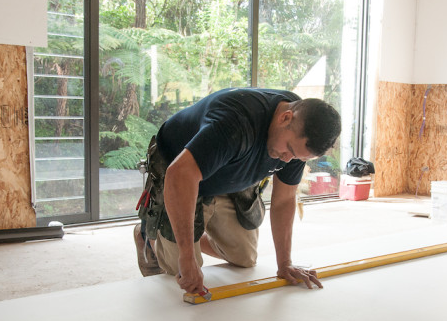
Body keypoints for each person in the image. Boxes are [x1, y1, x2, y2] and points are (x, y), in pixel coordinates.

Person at [134, 87, 341, 296]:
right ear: (285, 118)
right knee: (180, 267)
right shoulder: (234, 122)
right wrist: (187, 257)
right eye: (288, 149)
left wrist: (285, 263)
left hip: (228, 172)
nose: (287, 159)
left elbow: (284, 199)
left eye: (297, 157)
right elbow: (179, 174)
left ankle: (192, 232)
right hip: (178, 172)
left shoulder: (298, 135)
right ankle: (150, 237)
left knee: (244, 257)